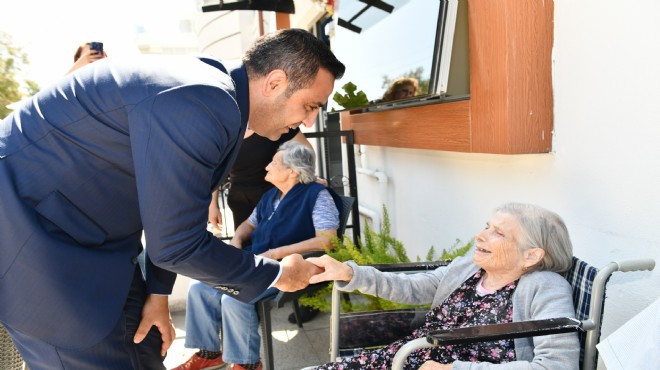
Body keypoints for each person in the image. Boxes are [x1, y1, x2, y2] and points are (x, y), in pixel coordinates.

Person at [0, 29, 345, 370]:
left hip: (95, 240)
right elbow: (177, 245)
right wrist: (276, 275)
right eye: (310, 105)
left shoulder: (216, 96)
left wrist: (159, 295)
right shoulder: (203, 101)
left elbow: (178, 221)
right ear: (274, 83)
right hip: (33, 237)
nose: (310, 119)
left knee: (143, 344)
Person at [307, 202, 580, 370]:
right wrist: (350, 273)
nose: (481, 236)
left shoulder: (545, 287)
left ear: (532, 255)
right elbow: (412, 287)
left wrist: (454, 369)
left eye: (498, 233)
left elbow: (557, 365)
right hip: (404, 357)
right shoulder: (469, 268)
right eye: (487, 226)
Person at [173, 141, 342, 370]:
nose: (267, 167)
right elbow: (248, 225)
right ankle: (210, 353)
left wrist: (278, 253)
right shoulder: (271, 196)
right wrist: (237, 240)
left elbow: (327, 241)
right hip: (257, 261)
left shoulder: (317, 196)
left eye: (274, 162)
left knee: (234, 297)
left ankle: (248, 364)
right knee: (199, 288)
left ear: (292, 171)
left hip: (288, 269)